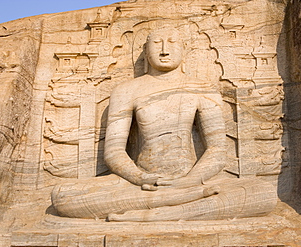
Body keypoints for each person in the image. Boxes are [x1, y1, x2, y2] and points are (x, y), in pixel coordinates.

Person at [51, 27, 276, 221]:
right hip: (141, 185)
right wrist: (140, 177)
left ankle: (155, 212)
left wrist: (190, 181)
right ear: (145, 52)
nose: (164, 49)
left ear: (184, 49)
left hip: (193, 181)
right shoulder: (126, 91)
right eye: (156, 43)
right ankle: (182, 206)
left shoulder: (202, 88)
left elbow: (217, 150)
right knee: (63, 196)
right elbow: (114, 152)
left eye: (172, 43)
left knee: (262, 193)